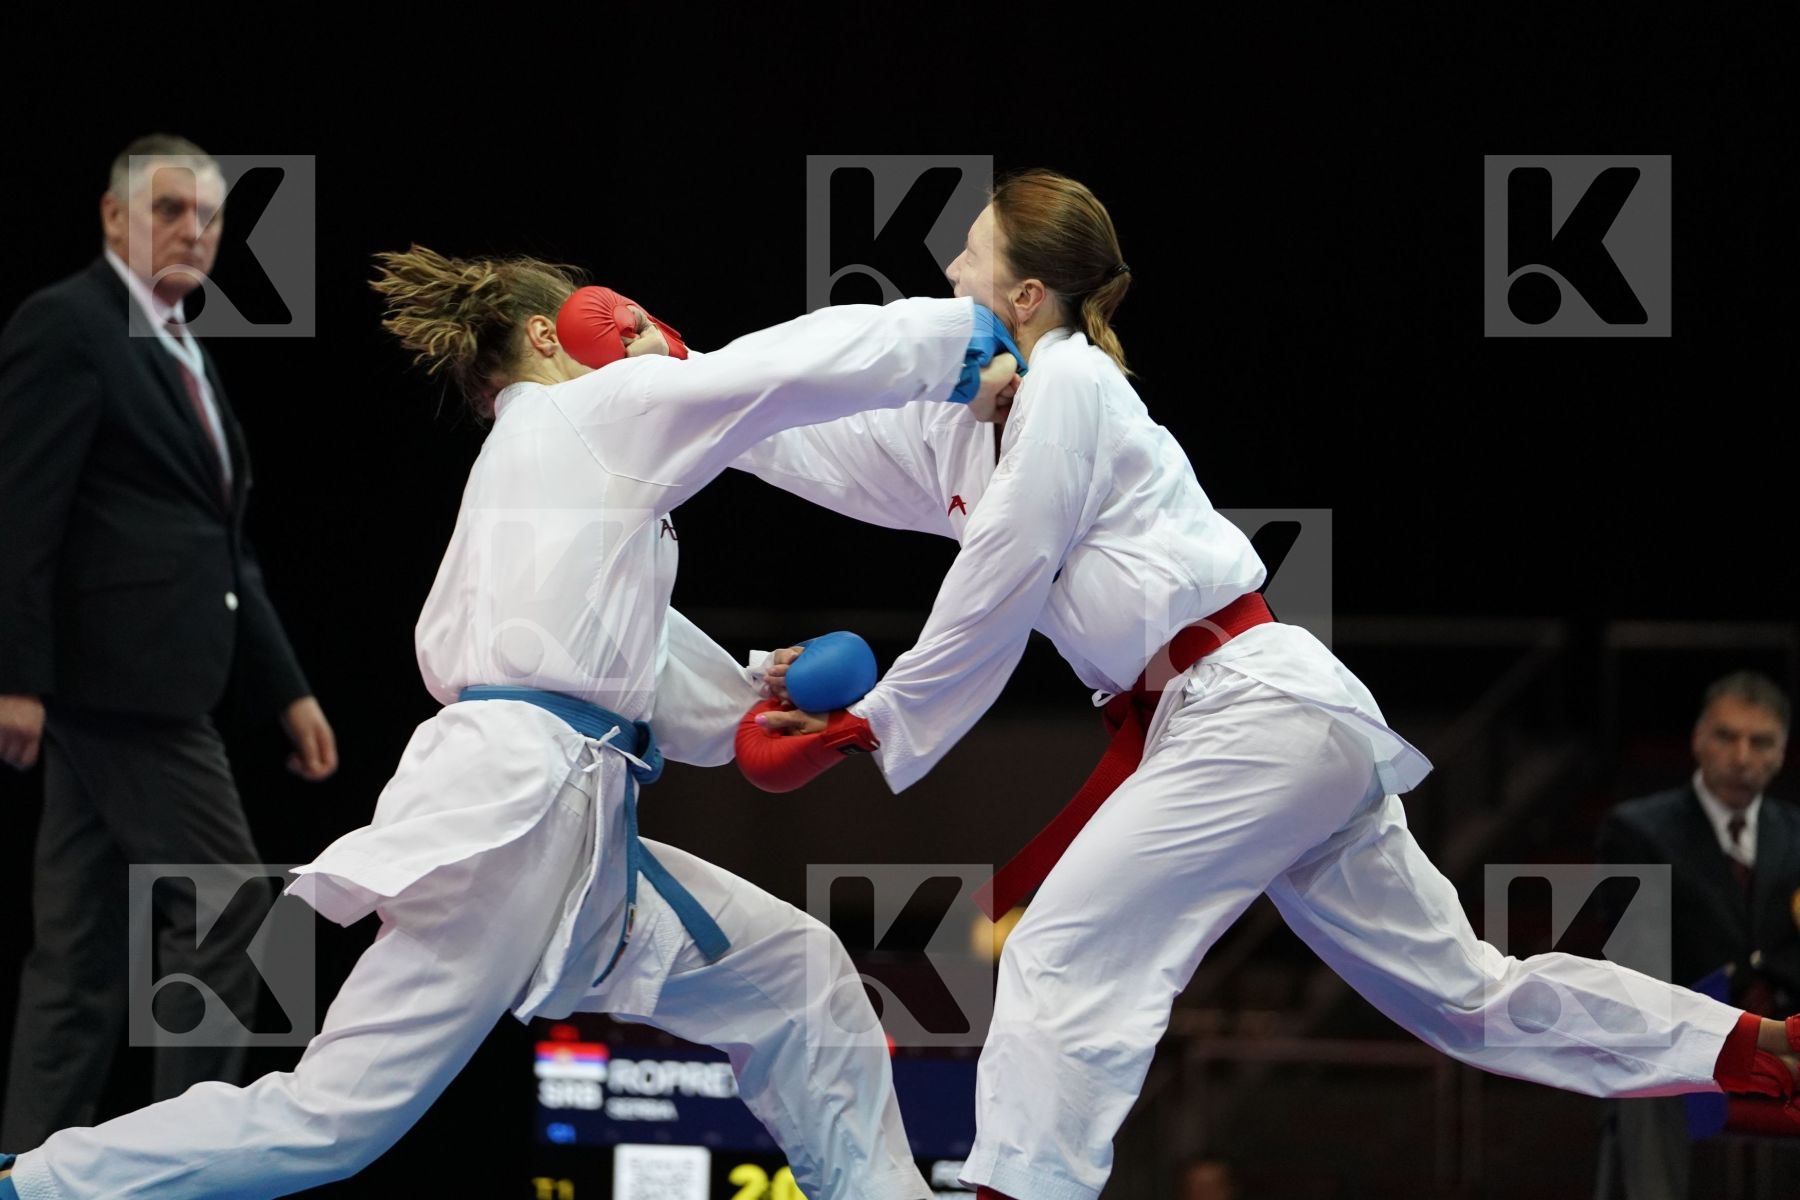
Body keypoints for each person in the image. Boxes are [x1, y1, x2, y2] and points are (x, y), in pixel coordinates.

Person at [728, 168, 1800, 1200]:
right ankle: (1758, 1051)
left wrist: (884, 718)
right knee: (1466, 995)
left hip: (1243, 708)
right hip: (1263, 723)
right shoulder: (976, 435)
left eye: (970, 254)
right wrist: (681, 387)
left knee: (1064, 948)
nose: (948, 272)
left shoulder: (1072, 383)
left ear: (1026, 296)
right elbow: (814, 447)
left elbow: (1003, 567)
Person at [0, 249, 1021, 1198]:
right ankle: (35, 1183)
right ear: (546, 334)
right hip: (517, 816)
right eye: (615, 322)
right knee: (331, 1121)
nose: (636, 335)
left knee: (799, 978)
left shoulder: (543, 472)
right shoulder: (587, 415)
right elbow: (776, 372)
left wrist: (759, 687)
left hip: (580, 826)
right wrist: (957, 339)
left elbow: (623, 662)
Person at [0, 133, 338, 1153]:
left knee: (79, 952)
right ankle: (179, 1159)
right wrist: (16, 676)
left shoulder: (184, 345)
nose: (195, 231)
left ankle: (28, 1167)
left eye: (210, 216)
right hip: (118, 685)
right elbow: (21, 511)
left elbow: (222, 542)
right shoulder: (67, 325)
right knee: (236, 911)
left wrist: (288, 689)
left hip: (154, 682)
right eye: (171, 210)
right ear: (115, 217)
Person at [1593, 671, 1796, 1200]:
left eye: (1761, 742)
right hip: (1686, 1038)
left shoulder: (1797, 835)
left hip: (1787, 1034)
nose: (1742, 756)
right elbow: (1637, 965)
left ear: (1782, 752)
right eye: (1726, 736)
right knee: (1642, 1058)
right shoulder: (1638, 831)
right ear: (1699, 739)